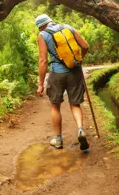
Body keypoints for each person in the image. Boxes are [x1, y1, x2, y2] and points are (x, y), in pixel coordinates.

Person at [35, 14, 90, 150]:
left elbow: (43, 61)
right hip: (75, 72)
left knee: (55, 106)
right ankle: (80, 130)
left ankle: (58, 140)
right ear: (50, 21)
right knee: (75, 104)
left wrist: (41, 83)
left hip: (57, 73)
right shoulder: (68, 27)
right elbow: (85, 46)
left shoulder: (42, 35)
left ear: (41, 26)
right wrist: (78, 60)